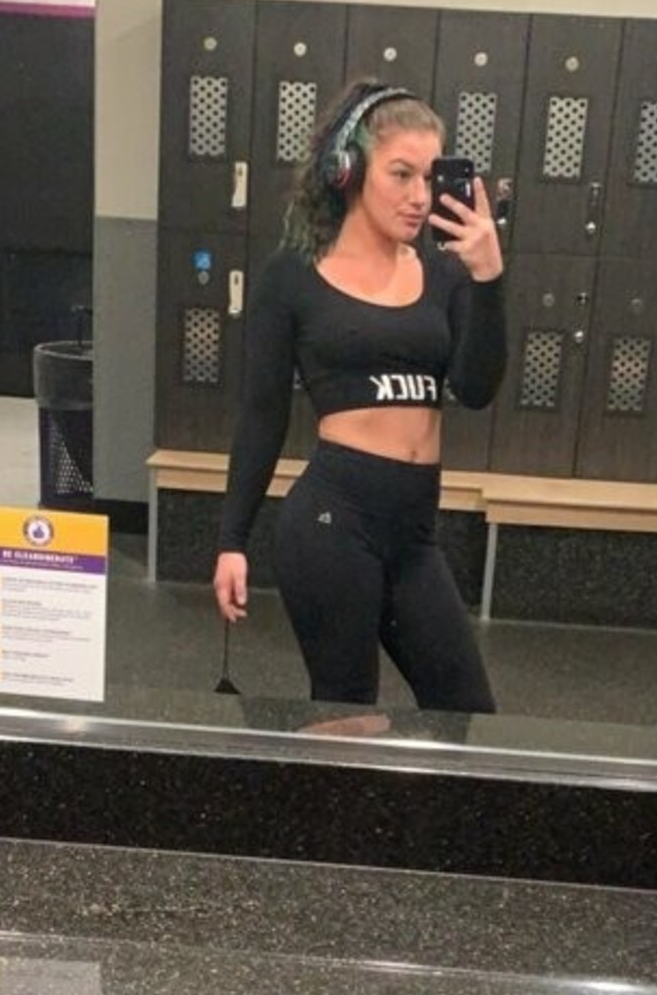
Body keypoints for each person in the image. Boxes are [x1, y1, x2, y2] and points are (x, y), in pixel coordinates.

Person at [212, 79, 507, 711]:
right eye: (401, 174)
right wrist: (231, 541)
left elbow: (476, 388)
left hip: (414, 533)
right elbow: (262, 415)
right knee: (346, 712)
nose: (420, 196)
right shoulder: (291, 277)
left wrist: (488, 278)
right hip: (332, 522)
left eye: (429, 177)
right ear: (347, 171)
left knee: (468, 713)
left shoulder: (445, 272)